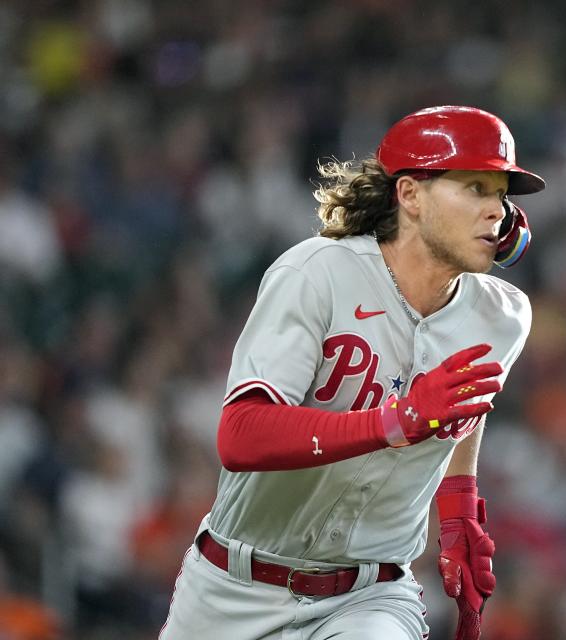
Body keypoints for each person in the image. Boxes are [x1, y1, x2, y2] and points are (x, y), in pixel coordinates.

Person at [159, 105, 545, 640]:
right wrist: (397, 420)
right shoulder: (318, 272)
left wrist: (459, 514)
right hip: (232, 589)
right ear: (409, 194)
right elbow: (241, 436)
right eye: (475, 188)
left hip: (371, 597)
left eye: (501, 194)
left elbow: (463, 410)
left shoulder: (502, 316)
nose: (497, 211)